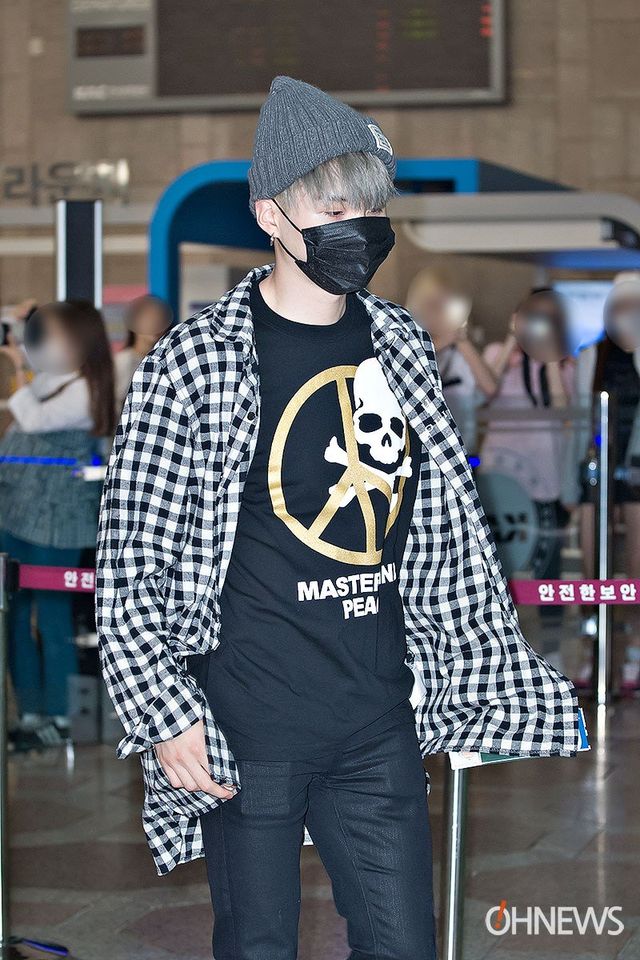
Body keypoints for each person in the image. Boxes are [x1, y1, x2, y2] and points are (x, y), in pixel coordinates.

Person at [96, 76, 583, 960]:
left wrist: (456, 663)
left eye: (369, 204)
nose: (358, 222)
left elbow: (436, 522)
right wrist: (164, 712)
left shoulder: (400, 342)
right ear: (270, 215)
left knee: (403, 944)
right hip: (247, 723)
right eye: (332, 204)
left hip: (376, 714)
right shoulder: (193, 362)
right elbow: (133, 559)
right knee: (258, 945)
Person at [0, 300, 115, 749]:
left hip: (57, 520)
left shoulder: (85, 390)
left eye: (54, 337)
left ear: (80, 341)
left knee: (51, 617)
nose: (43, 347)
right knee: (13, 615)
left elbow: (33, 419)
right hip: (17, 512)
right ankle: (30, 712)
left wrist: (16, 367)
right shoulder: (52, 379)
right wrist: (20, 326)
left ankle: (62, 716)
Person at [480, 290, 573, 634]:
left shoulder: (563, 362)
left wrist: (549, 357)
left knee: (548, 560)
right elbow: (486, 390)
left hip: (545, 474)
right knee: (499, 560)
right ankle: (501, 634)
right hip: (501, 473)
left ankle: (552, 638)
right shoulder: (497, 353)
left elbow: (563, 411)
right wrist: (511, 340)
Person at [564, 273, 640, 693]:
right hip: (598, 466)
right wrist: (571, 482)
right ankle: (593, 652)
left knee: (635, 566)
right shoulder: (594, 354)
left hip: (636, 468)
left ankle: (632, 653)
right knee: (593, 566)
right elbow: (579, 419)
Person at [406, 266, 497, 453]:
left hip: (462, 451)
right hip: (419, 453)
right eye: (433, 305)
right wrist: (443, 341)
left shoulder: (459, 351)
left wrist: (461, 339)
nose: (438, 313)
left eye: (446, 305)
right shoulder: (407, 344)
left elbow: (490, 388)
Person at [114, 295, 172, 413]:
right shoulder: (123, 361)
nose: (154, 324)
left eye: (159, 318)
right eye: (148, 318)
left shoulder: (169, 361)